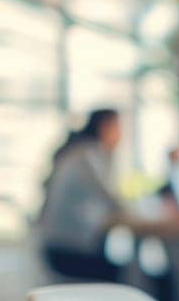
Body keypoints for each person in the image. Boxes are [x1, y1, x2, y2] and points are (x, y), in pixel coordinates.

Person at [37, 109, 126, 282]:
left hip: (73, 245)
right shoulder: (86, 156)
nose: (122, 135)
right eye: (119, 127)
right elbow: (110, 198)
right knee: (127, 275)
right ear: (104, 128)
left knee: (127, 269)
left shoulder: (86, 152)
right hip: (66, 250)